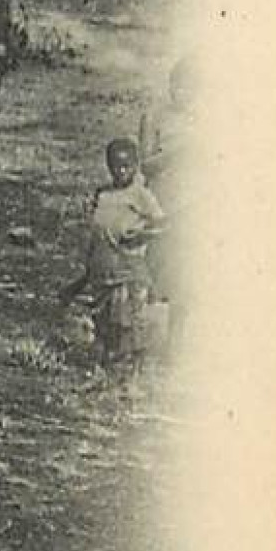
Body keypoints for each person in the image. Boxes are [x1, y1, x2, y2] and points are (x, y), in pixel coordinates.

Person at [60, 136, 166, 379]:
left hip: (128, 270)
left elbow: (162, 224)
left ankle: (133, 378)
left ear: (135, 166)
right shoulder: (103, 194)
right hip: (103, 270)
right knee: (105, 325)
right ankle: (106, 374)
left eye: (126, 166)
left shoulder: (141, 195)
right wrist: (81, 280)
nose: (120, 171)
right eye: (115, 166)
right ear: (108, 166)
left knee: (129, 324)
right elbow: (98, 235)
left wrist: (140, 235)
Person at [138, 59, 194, 350]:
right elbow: (145, 165)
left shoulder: (208, 120)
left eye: (192, 89)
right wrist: (178, 153)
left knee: (185, 275)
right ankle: (143, 341)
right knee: (154, 269)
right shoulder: (154, 116)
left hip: (194, 206)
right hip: (161, 202)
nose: (184, 93)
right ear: (171, 85)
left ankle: (176, 342)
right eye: (179, 85)